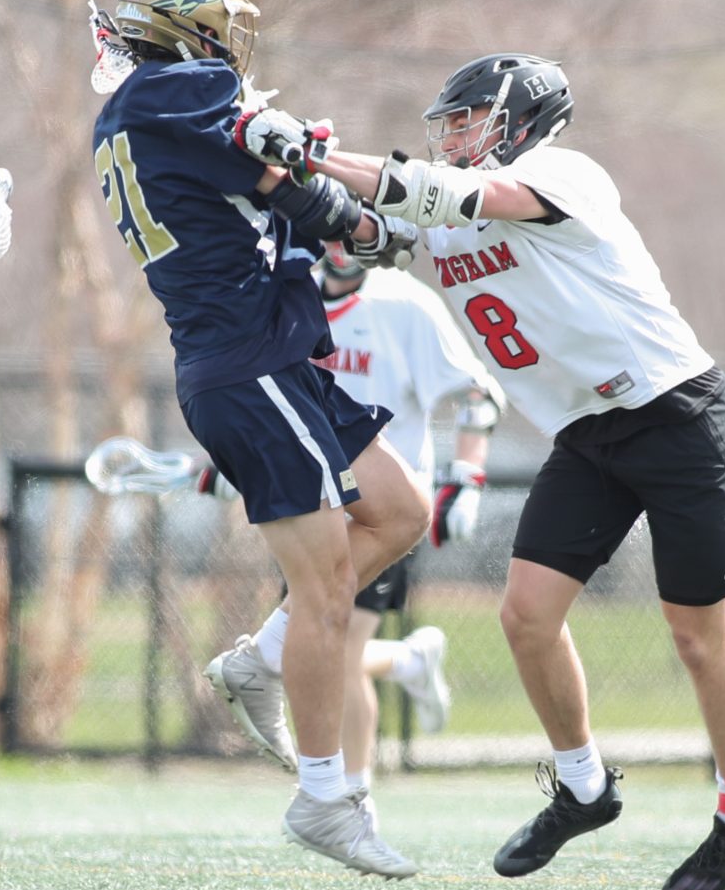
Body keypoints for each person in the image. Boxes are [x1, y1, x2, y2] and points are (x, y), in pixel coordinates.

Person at [237, 53, 725, 890]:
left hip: (676, 413)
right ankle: (585, 787)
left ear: (522, 118)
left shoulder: (561, 173)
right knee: (526, 616)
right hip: (588, 432)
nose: (454, 136)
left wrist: (315, 151)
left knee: (696, 634)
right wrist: (275, 172)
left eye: (468, 120)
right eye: (448, 124)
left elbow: (443, 196)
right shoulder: (451, 206)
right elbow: (372, 234)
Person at [91, 0, 429, 878]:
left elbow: (267, 187)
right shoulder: (180, 88)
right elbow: (281, 169)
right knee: (328, 590)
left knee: (401, 512)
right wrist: (361, 224)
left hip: (266, 355)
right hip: (249, 362)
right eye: (219, 23)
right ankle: (325, 797)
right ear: (186, 26)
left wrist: (341, 218)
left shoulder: (141, 106)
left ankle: (260, 659)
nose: (231, 42)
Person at [193, 254, 502, 806]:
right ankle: (405, 663)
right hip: (315, 501)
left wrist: (468, 477)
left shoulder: (405, 303)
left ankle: (352, 799)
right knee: (318, 640)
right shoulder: (289, 293)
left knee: (333, 648)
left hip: (383, 513)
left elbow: (476, 393)